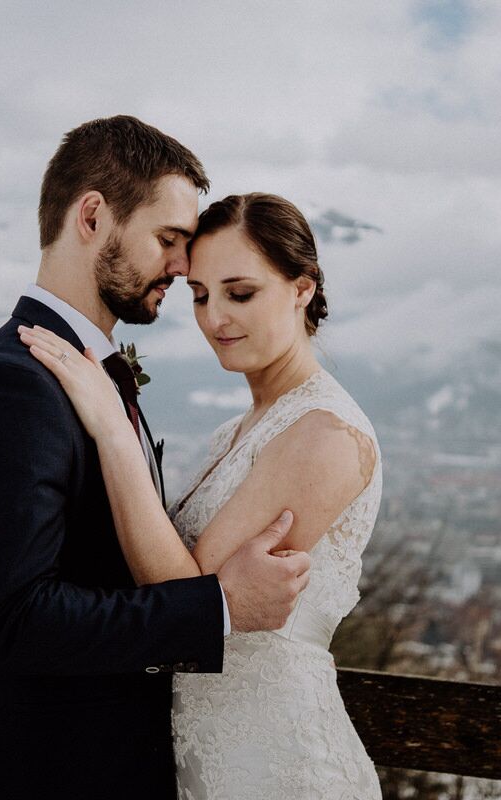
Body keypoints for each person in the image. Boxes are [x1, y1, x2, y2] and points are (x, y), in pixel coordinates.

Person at [0, 118, 311, 800]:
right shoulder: (13, 385)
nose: (182, 266)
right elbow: (16, 621)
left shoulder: (84, 374)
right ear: (94, 215)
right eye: (168, 240)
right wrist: (218, 606)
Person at [20, 192, 383, 798]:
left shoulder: (324, 434)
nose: (215, 318)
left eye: (240, 293)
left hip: (276, 764)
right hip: (201, 761)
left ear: (301, 288)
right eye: (199, 295)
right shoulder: (235, 432)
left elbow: (184, 597)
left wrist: (112, 428)